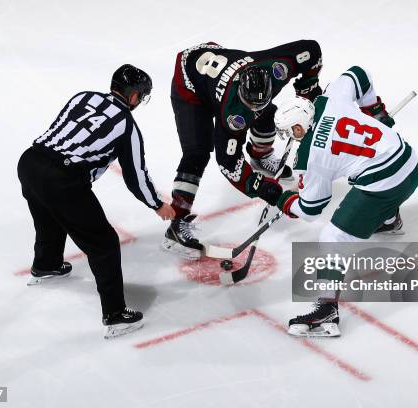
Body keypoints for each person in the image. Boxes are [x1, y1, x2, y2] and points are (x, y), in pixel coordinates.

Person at [17, 64, 175, 339]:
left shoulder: (83, 97)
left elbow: (61, 131)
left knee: (48, 216)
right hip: (63, 178)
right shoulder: (127, 125)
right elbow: (136, 177)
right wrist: (158, 205)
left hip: (31, 161)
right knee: (104, 244)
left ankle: (47, 265)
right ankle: (115, 315)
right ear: (134, 96)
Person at [273, 66, 418, 337]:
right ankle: (388, 219)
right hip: (411, 164)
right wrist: (375, 112)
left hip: (389, 185)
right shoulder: (329, 98)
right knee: (364, 172)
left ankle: (327, 310)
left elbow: (310, 209)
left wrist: (285, 201)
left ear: (298, 126)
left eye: (288, 132)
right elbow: (359, 73)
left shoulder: (310, 157)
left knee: (331, 237)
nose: (289, 138)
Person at [162, 40, 323, 259]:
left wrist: (309, 87)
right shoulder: (233, 115)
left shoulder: (277, 69)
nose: (254, 108)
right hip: (190, 82)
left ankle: (260, 155)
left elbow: (311, 50)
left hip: (216, 59)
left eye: (261, 101)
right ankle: (176, 224)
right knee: (196, 152)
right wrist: (264, 188)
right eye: (250, 105)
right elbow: (229, 164)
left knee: (267, 111)